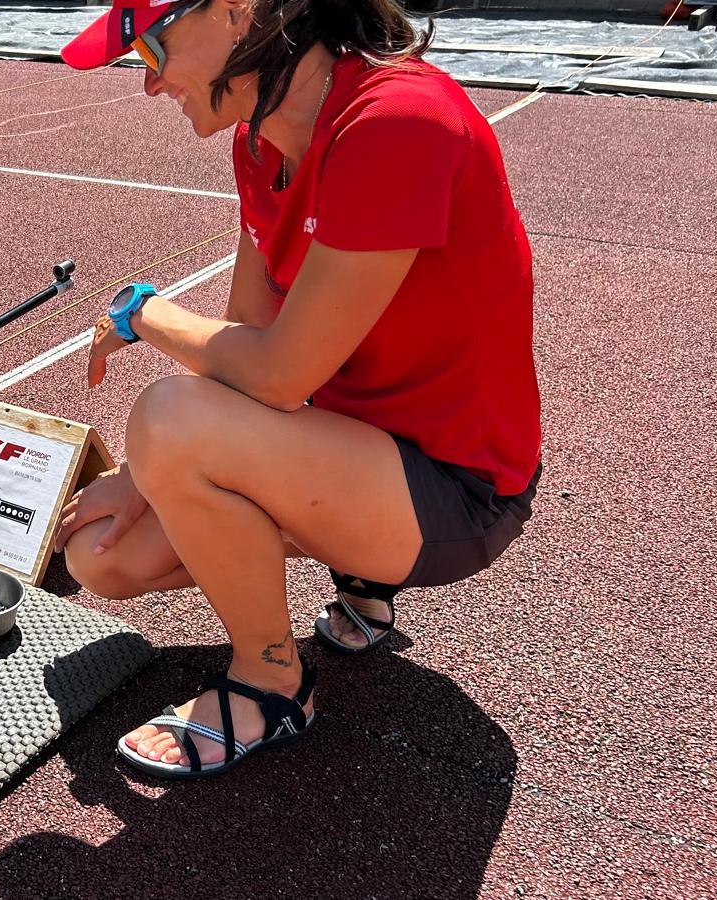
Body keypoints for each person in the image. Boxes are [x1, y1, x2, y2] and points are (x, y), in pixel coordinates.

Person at [53, 0, 541, 779]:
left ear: (237, 11)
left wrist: (147, 315)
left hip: (457, 491)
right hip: (352, 456)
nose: (148, 86)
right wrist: (140, 476)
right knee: (100, 559)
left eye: (150, 51)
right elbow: (245, 337)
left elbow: (279, 373)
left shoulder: (397, 120)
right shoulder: (260, 141)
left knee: (169, 415)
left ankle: (271, 681)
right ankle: (360, 573)